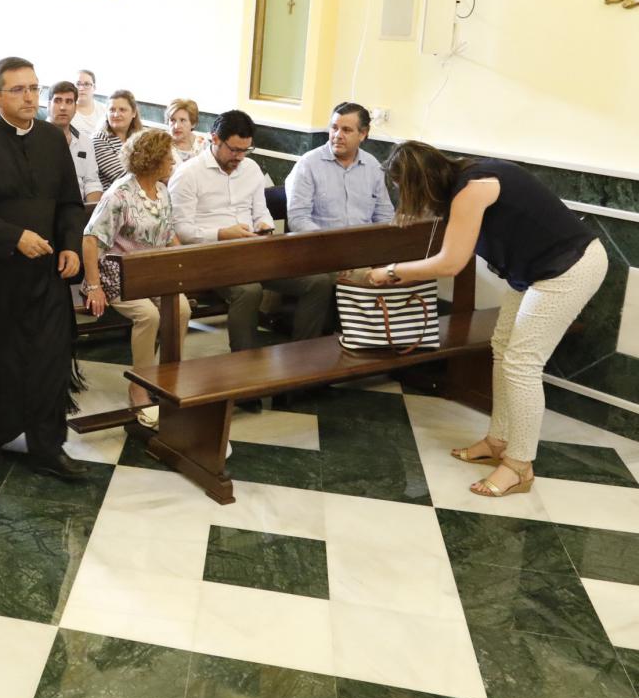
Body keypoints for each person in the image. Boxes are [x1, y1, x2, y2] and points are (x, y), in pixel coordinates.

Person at [368, 142, 607, 499]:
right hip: (535, 271)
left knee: (522, 363)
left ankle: (519, 465)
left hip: (570, 268)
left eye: (406, 188)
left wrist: (389, 272)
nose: (405, 196)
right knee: (502, 348)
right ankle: (498, 441)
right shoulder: (467, 180)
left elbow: (450, 263)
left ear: (422, 181)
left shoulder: (473, 187)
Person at [0, 56, 88, 479]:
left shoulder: (51, 138)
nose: (30, 97)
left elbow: (69, 201)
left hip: (44, 272)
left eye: (33, 88)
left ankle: (48, 447)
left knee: (48, 359)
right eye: (18, 90)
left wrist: (70, 246)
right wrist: (14, 237)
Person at [171, 109, 333, 353]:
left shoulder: (251, 168)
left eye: (245, 150)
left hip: (252, 251)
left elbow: (261, 211)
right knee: (249, 291)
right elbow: (180, 229)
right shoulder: (188, 174)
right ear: (214, 138)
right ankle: (244, 366)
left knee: (318, 282)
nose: (239, 157)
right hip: (208, 256)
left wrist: (264, 225)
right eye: (234, 150)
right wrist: (222, 233)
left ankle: (303, 357)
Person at [82, 130, 192, 420]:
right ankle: (139, 386)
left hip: (152, 271)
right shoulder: (119, 195)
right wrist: (93, 286)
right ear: (153, 160)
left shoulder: (162, 190)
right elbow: (91, 239)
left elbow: (169, 236)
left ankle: (167, 376)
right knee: (149, 315)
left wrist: (183, 266)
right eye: (168, 157)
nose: (172, 161)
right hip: (117, 272)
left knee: (181, 309)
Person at [286, 101, 394, 233]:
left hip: (364, 247)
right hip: (320, 247)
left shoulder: (373, 166)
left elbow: (384, 216)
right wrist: (330, 243)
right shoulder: (308, 164)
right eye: (334, 128)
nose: (337, 135)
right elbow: (298, 219)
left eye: (346, 130)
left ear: (363, 134)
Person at [47, 81, 103, 203]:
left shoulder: (85, 142)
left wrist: (91, 214)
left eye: (69, 101)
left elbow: (92, 182)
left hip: (78, 209)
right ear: (48, 105)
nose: (63, 107)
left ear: (75, 108)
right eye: (57, 101)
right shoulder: (35, 138)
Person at [91, 90, 143, 190]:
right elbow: (121, 176)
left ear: (134, 113)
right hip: (116, 198)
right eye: (112, 110)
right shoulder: (99, 138)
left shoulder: (140, 138)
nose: (116, 114)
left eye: (122, 110)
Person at [166, 98, 209, 164]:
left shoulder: (203, 144)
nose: (176, 126)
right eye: (172, 120)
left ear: (193, 123)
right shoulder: (161, 145)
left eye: (182, 120)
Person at [70, 69, 104, 138]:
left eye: (87, 84)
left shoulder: (104, 110)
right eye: (78, 84)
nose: (81, 88)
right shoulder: (67, 109)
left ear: (94, 87)